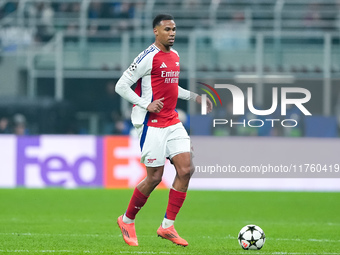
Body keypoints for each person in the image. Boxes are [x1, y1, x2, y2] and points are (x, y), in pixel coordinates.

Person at [115, 14, 212, 247]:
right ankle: (127, 220)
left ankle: (167, 226)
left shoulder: (175, 56)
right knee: (155, 177)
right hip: (151, 123)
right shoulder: (147, 57)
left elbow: (172, 87)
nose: (172, 33)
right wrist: (144, 103)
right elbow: (121, 86)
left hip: (172, 121)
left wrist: (195, 96)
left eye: (174, 29)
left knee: (186, 169)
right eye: (167, 29)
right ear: (156, 32)